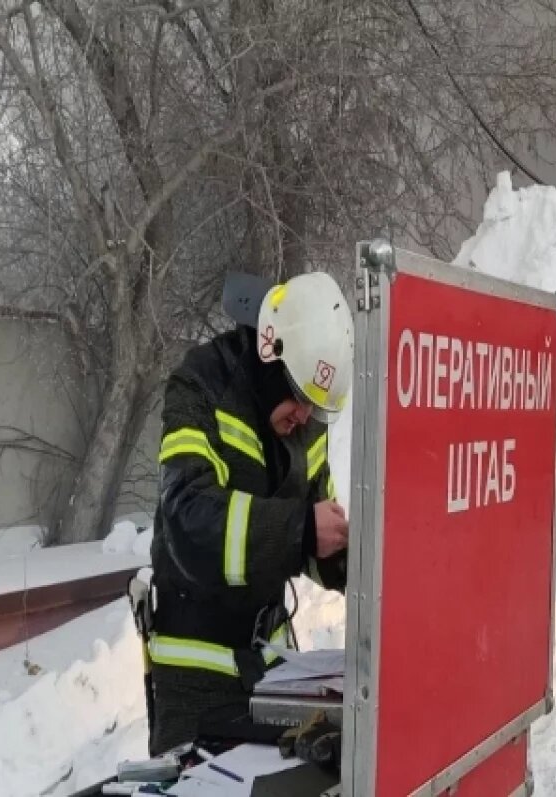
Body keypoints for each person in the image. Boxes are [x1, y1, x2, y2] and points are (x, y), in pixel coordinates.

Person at [141, 270, 354, 756]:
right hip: (195, 675)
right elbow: (188, 521)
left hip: (273, 669)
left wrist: (357, 559)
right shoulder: (200, 385)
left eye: (314, 409)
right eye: (299, 398)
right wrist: (299, 531)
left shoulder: (306, 421)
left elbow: (319, 533)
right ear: (271, 355)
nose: (303, 417)